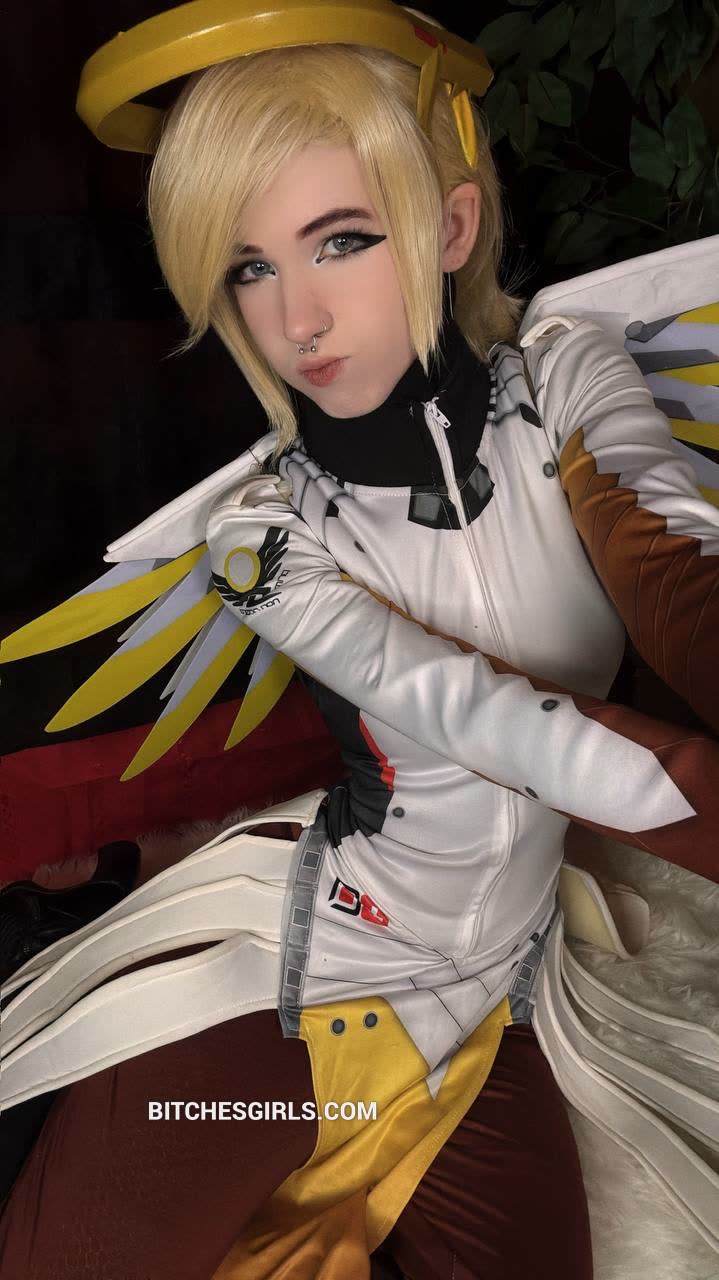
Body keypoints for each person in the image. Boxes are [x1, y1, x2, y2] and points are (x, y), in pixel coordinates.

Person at [1, 4, 718, 1277]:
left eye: (340, 239)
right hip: (303, 979)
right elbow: (471, 713)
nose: (296, 318)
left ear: (449, 226)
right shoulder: (260, 536)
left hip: (492, 1002)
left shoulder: (570, 373)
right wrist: (697, 797)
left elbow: (666, 551)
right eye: (247, 267)